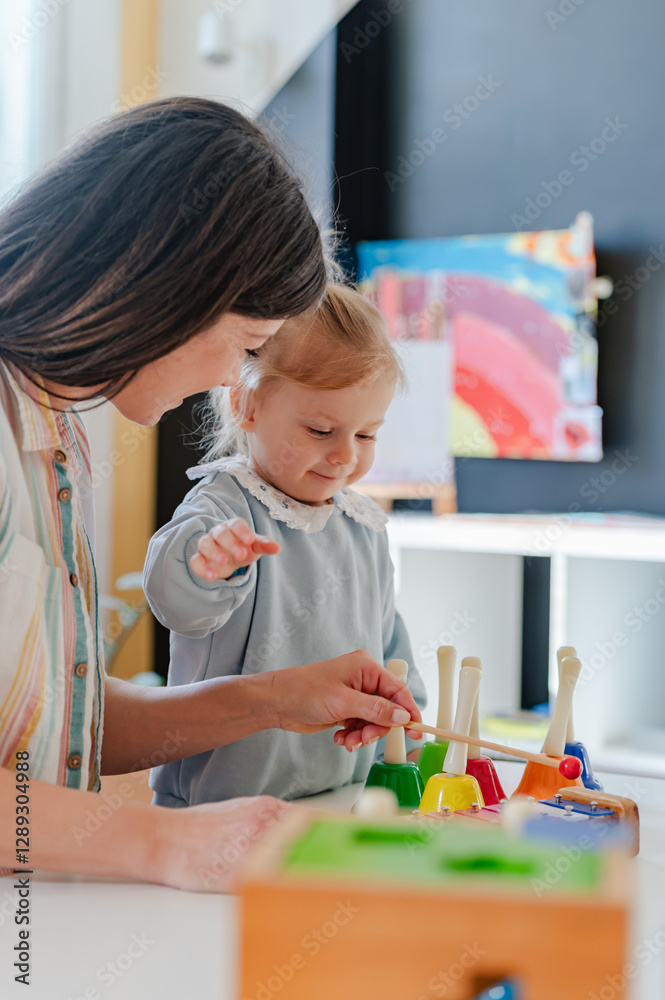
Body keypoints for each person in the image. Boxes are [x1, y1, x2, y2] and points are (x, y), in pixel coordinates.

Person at [0, 97, 421, 891]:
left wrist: (271, 699)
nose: (233, 380)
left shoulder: (52, 435)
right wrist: (165, 842)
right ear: (167, 285)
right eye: (247, 345)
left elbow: (56, 729)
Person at [144, 283, 427, 807]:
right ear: (245, 405)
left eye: (366, 435)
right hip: (223, 802)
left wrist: (408, 725)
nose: (345, 455)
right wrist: (208, 565)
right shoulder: (225, 507)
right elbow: (173, 598)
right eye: (321, 430)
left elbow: (388, 645)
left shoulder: (361, 525)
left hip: (342, 788)